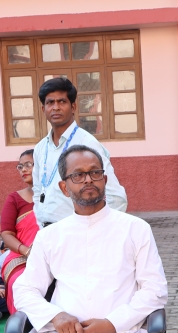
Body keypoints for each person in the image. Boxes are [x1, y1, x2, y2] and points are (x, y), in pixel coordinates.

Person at [14, 145, 167, 333]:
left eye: (95, 173)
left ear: (105, 179)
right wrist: (56, 316)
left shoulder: (135, 229)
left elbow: (155, 290)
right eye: (78, 175)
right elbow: (26, 289)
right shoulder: (49, 236)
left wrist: (111, 323)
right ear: (64, 186)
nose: (88, 180)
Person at [32, 78, 127, 226]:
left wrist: (100, 230)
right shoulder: (41, 148)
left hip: (79, 230)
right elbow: (38, 191)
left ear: (73, 107)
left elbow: (116, 197)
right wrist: (41, 226)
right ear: (43, 109)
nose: (56, 107)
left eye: (62, 102)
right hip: (48, 231)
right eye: (50, 102)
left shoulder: (86, 144)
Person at [0, 150, 39, 314]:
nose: (24, 169)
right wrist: (28, 252)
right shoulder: (14, 199)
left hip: (55, 254)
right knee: (20, 282)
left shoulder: (58, 196)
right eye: (20, 166)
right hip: (22, 257)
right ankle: (21, 327)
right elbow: (6, 234)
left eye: (29, 164)